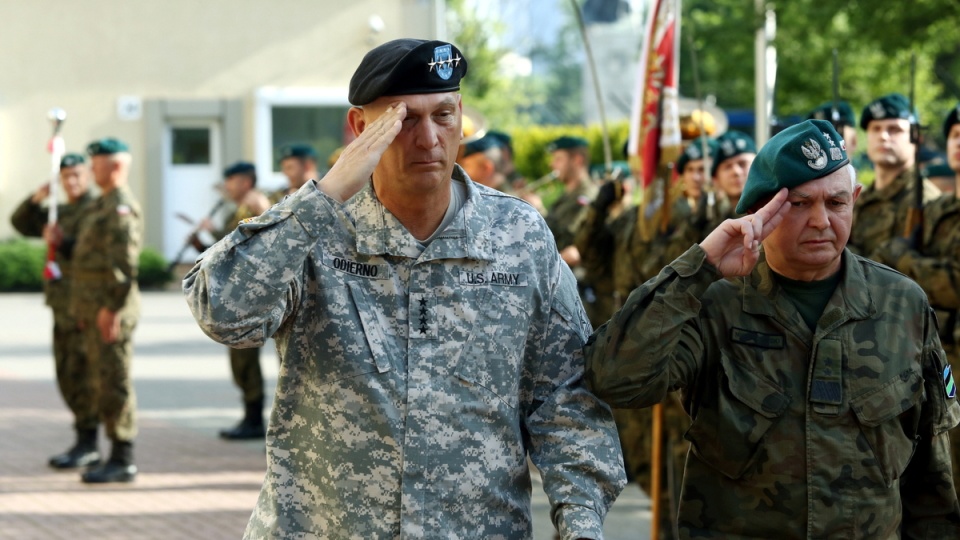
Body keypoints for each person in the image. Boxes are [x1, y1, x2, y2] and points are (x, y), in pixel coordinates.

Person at [183, 38, 625, 539]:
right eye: (404, 120)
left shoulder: (518, 236)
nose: (429, 139)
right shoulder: (314, 228)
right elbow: (222, 311)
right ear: (359, 126)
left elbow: (565, 395)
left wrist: (580, 522)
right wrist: (322, 197)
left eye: (444, 115)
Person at [584, 119, 960, 537]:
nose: (820, 221)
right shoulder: (715, 304)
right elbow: (614, 378)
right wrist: (701, 265)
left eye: (836, 203)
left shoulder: (901, 303)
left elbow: (931, 477)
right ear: (757, 212)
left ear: (855, 199)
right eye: (799, 204)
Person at [871, 102, 960, 494]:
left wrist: (904, 259)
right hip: (928, 359)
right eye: (956, 135)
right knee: (928, 477)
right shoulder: (938, 210)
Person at [10, 153, 99, 469]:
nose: (72, 182)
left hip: (83, 306)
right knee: (67, 374)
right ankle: (82, 439)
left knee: (85, 375)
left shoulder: (95, 210)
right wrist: (36, 198)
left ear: (87, 175)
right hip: (61, 305)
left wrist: (63, 242)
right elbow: (20, 224)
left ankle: (90, 442)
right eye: (66, 177)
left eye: (77, 175)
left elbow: (91, 251)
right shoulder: (58, 211)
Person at [71, 137, 142, 483]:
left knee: (114, 381)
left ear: (114, 166)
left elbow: (123, 266)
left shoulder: (120, 206)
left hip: (110, 310)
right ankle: (110, 453)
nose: (91, 169)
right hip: (95, 307)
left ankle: (122, 458)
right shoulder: (101, 203)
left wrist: (111, 308)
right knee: (101, 381)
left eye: (96, 163)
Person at [189, 161, 271, 439]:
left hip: (250, 293)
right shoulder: (241, 207)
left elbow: (251, 244)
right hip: (237, 293)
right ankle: (250, 415)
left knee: (245, 357)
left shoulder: (256, 204)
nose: (228, 186)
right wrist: (202, 245)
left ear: (246, 181)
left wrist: (212, 236)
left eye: (232, 180)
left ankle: (254, 418)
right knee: (240, 358)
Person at [849, 93, 941, 255]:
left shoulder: (927, 201)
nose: (883, 136)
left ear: (916, 138)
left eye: (895, 129)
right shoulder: (859, 199)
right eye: (876, 129)